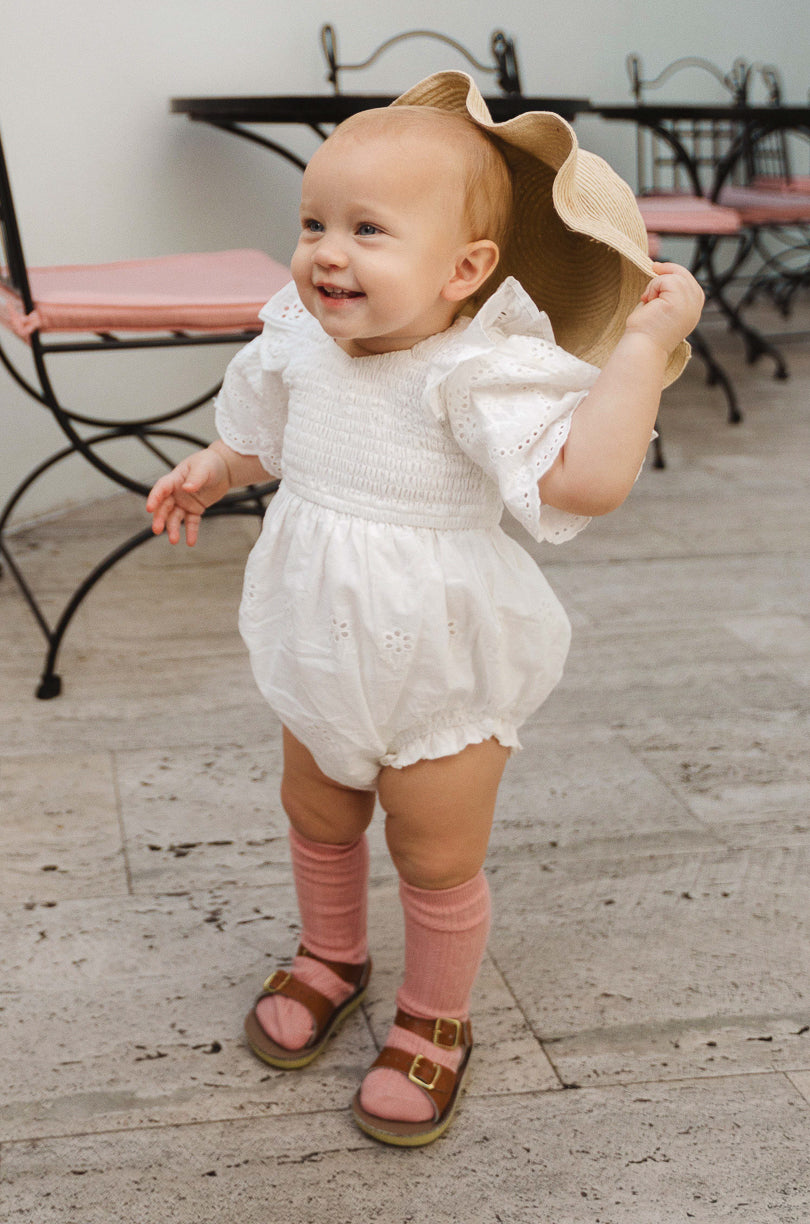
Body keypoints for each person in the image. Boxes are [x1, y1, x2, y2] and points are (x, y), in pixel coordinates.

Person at [146, 72, 703, 1147]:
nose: (327, 252)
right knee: (316, 811)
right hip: (319, 645)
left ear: (466, 270)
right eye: (313, 223)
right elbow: (264, 434)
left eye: (367, 229)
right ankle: (332, 955)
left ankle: (434, 1018)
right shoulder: (297, 342)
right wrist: (214, 470)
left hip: (443, 661)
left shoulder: (478, 371)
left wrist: (639, 353)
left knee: (436, 852)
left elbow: (578, 484)